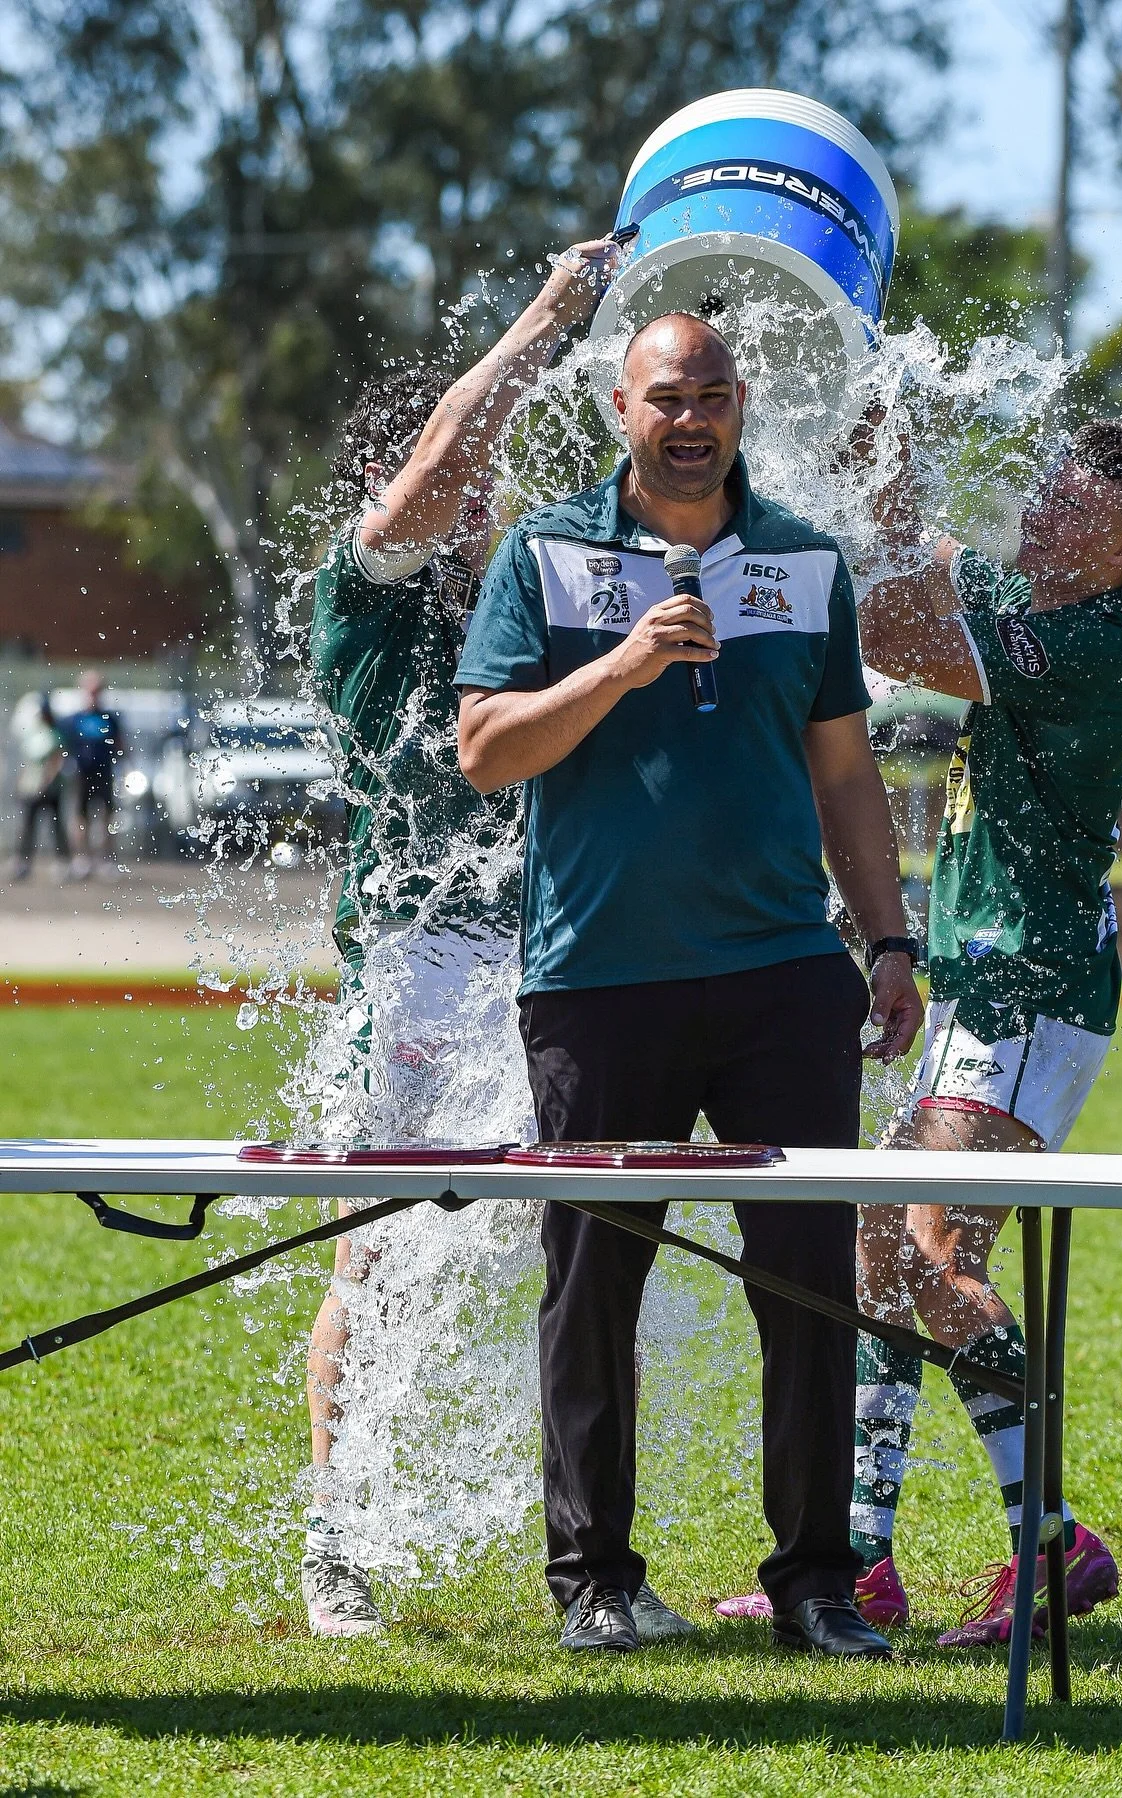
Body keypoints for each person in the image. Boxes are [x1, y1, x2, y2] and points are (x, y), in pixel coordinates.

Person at [717, 417, 1122, 1644]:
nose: (1033, 517)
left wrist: (887, 517)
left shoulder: (1086, 636)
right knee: (879, 1242)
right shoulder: (1035, 594)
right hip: (982, 981)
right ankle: (866, 1558)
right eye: (1039, 495)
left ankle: (1052, 1541)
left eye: (1065, 507)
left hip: (1031, 990)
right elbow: (900, 564)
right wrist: (883, 442)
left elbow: (885, 626)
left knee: (932, 1242)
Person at [456, 312, 923, 1657]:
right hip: (600, 976)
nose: (692, 417)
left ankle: (818, 1581)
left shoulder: (802, 560)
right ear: (621, 407)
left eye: (714, 394)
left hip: (784, 975)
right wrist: (624, 660)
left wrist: (888, 941)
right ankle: (594, 1575)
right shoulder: (545, 552)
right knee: (595, 1278)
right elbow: (487, 749)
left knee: (810, 1280)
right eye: (668, 396)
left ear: (739, 405)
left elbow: (844, 771)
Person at [299, 237, 635, 1639]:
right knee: (376, 1258)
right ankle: (334, 1539)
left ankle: (593, 1564)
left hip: (560, 963)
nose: (487, 503)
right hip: (422, 968)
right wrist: (547, 325)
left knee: (592, 1251)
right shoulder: (365, 594)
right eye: (471, 478)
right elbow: (434, 478)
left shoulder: (522, 608)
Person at [65, 671, 124, 878]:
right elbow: (65, 746)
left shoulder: (109, 718)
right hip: (82, 773)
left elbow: (120, 744)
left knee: (107, 816)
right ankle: (82, 859)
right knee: (81, 817)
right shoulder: (74, 719)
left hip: (105, 773)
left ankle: (107, 859)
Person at [11, 693, 71, 878]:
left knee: (56, 826)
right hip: (31, 787)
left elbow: (57, 760)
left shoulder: (55, 734)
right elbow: (28, 762)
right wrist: (22, 783)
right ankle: (23, 862)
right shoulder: (34, 733)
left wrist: (47, 782)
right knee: (28, 826)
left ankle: (63, 863)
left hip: (50, 789)